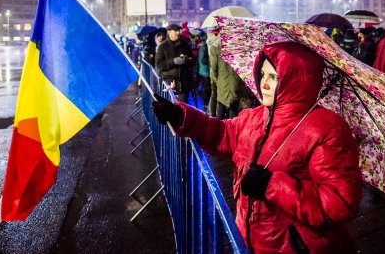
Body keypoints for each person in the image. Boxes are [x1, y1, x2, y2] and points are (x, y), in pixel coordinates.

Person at [153, 41, 362, 253]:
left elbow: (339, 202)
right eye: (263, 75)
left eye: (274, 77)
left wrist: (272, 186)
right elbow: (222, 133)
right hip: (249, 238)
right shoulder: (255, 116)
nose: (264, 84)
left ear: (296, 81)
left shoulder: (327, 129)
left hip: (290, 247)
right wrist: (181, 117)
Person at [155, 23, 194, 103]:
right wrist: (174, 61)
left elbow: (193, 59)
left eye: (178, 30)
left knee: (183, 110)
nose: (178, 33)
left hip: (183, 84)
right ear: (169, 32)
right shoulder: (162, 47)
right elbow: (159, 65)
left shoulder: (185, 45)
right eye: (175, 31)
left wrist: (187, 60)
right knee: (170, 111)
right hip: (169, 85)